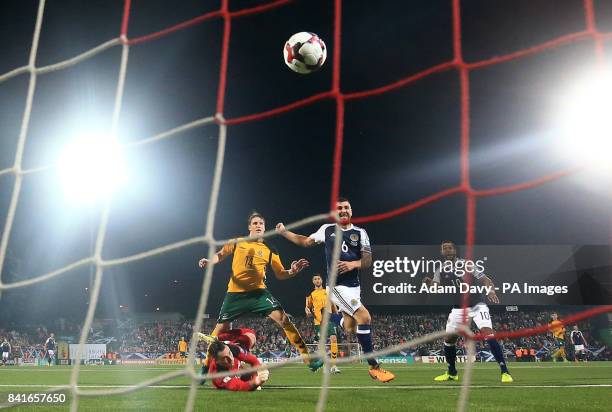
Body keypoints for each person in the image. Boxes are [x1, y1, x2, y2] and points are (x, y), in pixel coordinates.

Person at [276, 197, 395, 382]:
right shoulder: (327, 230)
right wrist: (284, 232)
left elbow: (368, 259)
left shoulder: (360, 232)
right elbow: (305, 242)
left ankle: (329, 316)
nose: (343, 211)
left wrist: (352, 264)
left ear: (351, 211)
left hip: (354, 287)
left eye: (346, 207)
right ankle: (374, 366)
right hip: (336, 287)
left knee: (349, 327)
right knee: (365, 317)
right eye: (339, 208)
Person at [198, 211, 322, 372]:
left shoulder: (270, 249)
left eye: (261, 224)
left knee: (284, 320)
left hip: (259, 294)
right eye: (255, 223)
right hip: (235, 294)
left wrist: (292, 271)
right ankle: (206, 368)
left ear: (264, 228)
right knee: (218, 331)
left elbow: (280, 274)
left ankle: (308, 359)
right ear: (249, 226)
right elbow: (220, 255)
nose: (258, 226)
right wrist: (209, 261)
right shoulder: (236, 242)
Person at [422, 240, 513, 383]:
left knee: (488, 333)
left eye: (449, 248)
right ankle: (452, 372)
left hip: (476, 306)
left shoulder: (467, 264)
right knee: (449, 340)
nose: (447, 250)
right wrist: (429, 283)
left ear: (454, 250)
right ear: (442, 252)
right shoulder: (440, 270)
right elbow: (435, 289)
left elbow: (485, 279)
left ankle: (504, 371)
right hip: (458, 309)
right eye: (444, 248)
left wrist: (490, 291)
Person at [204, 328, 269, 391]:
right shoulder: (218, 376)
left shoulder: (234, 349)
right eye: (224, 358)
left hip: (240, 339)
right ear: (217, 361)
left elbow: (253, 360)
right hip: (241, 341)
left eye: (229, 353)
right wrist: (256, 381)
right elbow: (241, 386)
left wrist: (255, 377)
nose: (230, 359)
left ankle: (216, 337)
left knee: (249, 336)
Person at [306, 274, 340, 374]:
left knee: (333, 338)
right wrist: (307, 312)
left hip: (329, 320)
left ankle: (334, 365)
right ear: (313, 282)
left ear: (321, 280)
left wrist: (337, 318)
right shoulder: (311, 295)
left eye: (319, 278)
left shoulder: (327, 292)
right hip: (318, 322)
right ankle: (324, 364)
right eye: (315, 279)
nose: (317, 280)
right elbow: (307, 308)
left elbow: (333, 306)